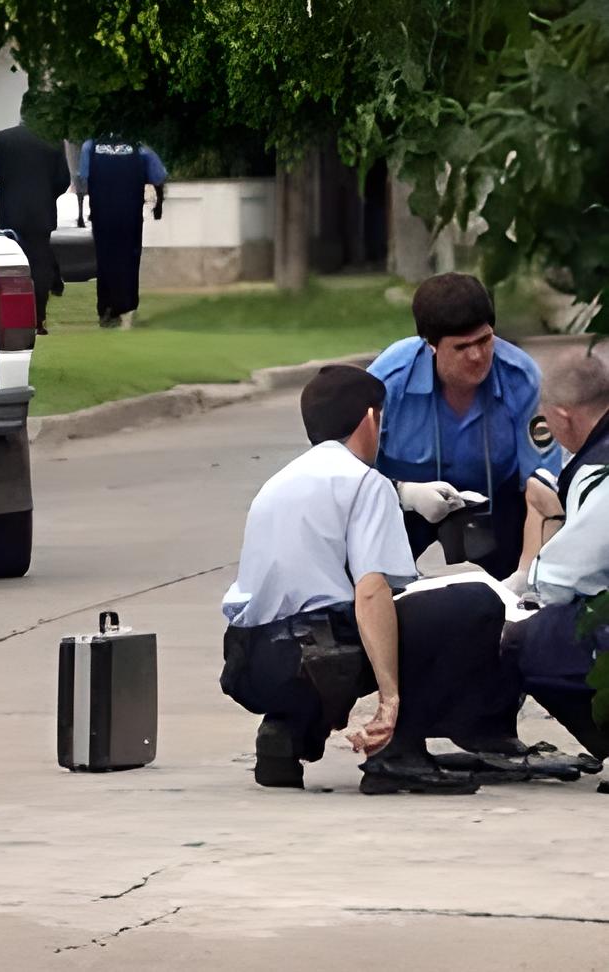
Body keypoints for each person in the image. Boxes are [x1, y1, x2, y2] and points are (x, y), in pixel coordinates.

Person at [221, 365, 524, 794]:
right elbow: (371, 592)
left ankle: (287, 732)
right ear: (369, 419)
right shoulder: (365, 482)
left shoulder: (278, 483)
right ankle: (399, 749)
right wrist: (390, 698)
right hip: (315, 655)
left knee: (327, 612)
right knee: (476, 602)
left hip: (251, 663)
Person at [369, 273, 563, 581]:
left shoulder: (521, 377)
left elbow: (543, 486)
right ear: (429, 345)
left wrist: (527, 574)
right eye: (461, 347)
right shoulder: (388, 380)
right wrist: (403, 493)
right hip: (404, 498)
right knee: (369, 579)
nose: (477, 356)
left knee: (532, 586)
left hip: (493, 500)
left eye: (485, 340)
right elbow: (343, 472)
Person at [503, 350, 609, 758]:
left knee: (523, 640)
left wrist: (523, 597)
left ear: (562, 417)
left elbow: (570, 575)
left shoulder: (599, 467)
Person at [0, 121, 70, 335]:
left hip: (11, 214)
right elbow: (63, 180)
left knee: (12, 266)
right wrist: (48, 195)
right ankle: (38, 319)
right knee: (40, 266)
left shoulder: (4, 137)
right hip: (41, 214)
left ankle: (15, 319)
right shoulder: (54, 140)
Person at [80, 133, 165, 328]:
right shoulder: (140, 148)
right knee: (129, 260)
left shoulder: (90, 147)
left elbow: (84, 177)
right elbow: (158, 177)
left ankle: (106, 308)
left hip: (103, 215)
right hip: (130, 215)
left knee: (105, 260)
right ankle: (126, 307)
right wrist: (159, 204)